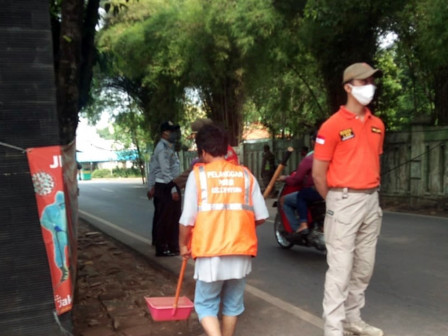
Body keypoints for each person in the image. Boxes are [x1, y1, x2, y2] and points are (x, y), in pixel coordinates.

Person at [312, 62, 385, 336]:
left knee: (363, 267)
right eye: (363, 82)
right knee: (340, 270)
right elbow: (319, 174)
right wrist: (334, 202)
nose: (369, 87)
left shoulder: (378, 125)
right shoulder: (332, 126)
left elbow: (371, 162)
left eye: (371, 82)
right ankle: (333, 328)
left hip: (370, 200)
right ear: (348, 87)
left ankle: (352, 319)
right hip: (343, 201)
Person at [179, 123, 269, 336]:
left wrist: (183, 245)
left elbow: (186, 220)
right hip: (240, 250)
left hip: (211, 252)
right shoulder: (246, 175)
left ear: (202, 151)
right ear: (225, 147)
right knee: (232, 305)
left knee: (205, 305)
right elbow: (262, 217)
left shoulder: (198, 175)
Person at [174, 118, 239, 190]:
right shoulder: (227, 149)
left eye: (196, 135)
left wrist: (171, 186)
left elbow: (187, 176)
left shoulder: (209, 153)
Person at [147, 121, 181, 257]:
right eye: (171, 131)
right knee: (165, 219)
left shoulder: (169, 147)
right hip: (166, 186)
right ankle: (162, 248)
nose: (174, 134)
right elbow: (164, 171)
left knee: (171, 218)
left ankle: (171, 246)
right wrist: (173, 189)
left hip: (168, 184)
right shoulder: (162, 148)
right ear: (164, 133)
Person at [278, 137, 320, 236]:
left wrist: (285, 178)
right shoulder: (337, 155)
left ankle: (301, 225)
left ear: (313, 142)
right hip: (335, 191)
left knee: (296, 197)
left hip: (317, 191)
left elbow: (297, 179)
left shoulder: (311, 158)